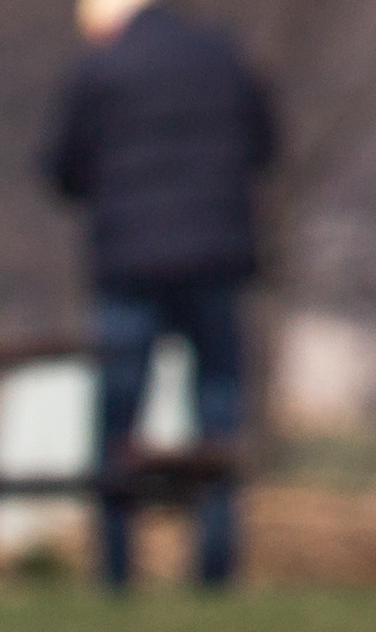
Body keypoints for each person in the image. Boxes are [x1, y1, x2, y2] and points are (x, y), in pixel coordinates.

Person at [41, 0, 279, 594]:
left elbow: (63, 169)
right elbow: (266, 145)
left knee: (119, 420)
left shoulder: (100, 69)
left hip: (128, 264)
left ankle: (118, 571)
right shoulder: (225, 57)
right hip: (214, 259)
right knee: (217, 410)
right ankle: (216, 566)